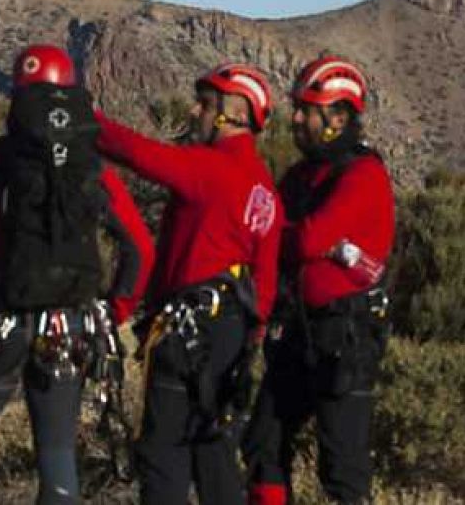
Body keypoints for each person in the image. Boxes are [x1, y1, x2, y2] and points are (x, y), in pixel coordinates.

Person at [0, 44, 155, 505]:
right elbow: (140, 247)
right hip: (68, 329)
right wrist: (114, 310)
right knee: (58, 458)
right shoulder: (92, 167)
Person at [95, 63, 283, 505]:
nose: (195, 112)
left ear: (231, 116)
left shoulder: (210, 169)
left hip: (187, 331)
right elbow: (267, 280)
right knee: (214, 449)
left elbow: (139, 154)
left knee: (164, 454)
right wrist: (251, 341)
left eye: (205, 105)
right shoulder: (266, 191)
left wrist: (84, 119)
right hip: (231, 335)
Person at [243, 56, 395, 505]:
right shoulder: (302, 175)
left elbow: (306, 240)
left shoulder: (364, 175)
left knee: (342, 464)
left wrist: (284, 236)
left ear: (338, 117)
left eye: (306, 109)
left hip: (345, 336)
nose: (295, 119)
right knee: (262, 441)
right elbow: (273, 232)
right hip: (299, 330)